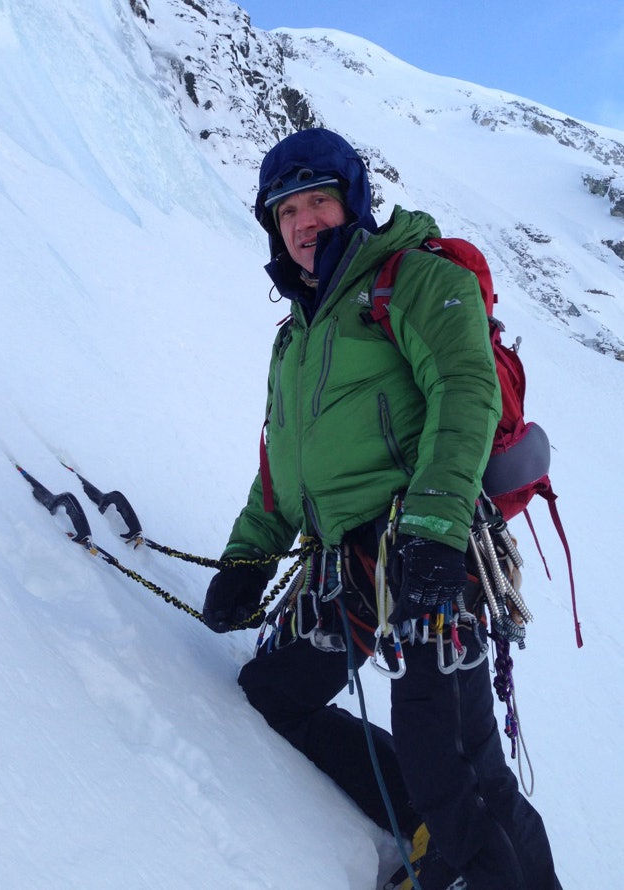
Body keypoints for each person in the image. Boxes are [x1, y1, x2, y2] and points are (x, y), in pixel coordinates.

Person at [203, 127, 562, 890]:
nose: (303, 221)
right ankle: (424, 825)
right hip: (353, 570)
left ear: (353, 203)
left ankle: (472, 871)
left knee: (459, 761)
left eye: (318, 201)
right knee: (275, 692)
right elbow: (285, 469)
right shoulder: (297, 337)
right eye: (286, 209)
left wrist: (432, 532)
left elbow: (466, 390)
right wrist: (247, 557)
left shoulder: (416, 278)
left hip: (431, 553)